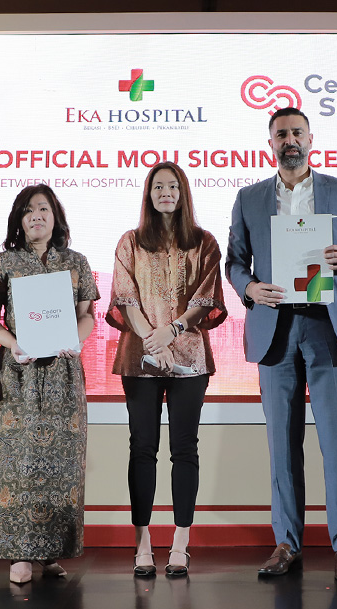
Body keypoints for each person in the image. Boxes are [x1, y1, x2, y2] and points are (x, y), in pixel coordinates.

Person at [225, 107, 337, 581]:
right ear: (269, 143)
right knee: (281, 446)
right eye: (280, 134)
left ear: (311, 138)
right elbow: (234, 263)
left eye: (296, 132)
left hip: (327, 327)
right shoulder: (248, 198)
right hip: (275, 328)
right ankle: (286, 543)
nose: (289, 140)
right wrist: (250, 289)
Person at [0, 184, 99, 585]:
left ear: (55, 216)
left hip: (62, 375)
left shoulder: (75, 262)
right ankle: (20, 555)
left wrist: (77, 340)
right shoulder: (3, 262)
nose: (36, 216)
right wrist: (13, 343)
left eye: (43, 209)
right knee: (16, 464)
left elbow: (88, 314)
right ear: (18, 220)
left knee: (59, 467)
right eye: (28, 211)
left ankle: (50, 553)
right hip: (17, 374)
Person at [106, 162, 227, 578]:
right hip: (139, 361)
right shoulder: (131, 241)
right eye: (158, 186)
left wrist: (172, 330)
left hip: (189, 360)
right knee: (142, 448)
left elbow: (207, 296)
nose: (165, 192)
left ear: (183, 192)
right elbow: (124, 296)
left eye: (172, 186)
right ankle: (142, 545)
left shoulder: (204, 242)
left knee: (184, 449)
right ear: (148, 194)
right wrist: (151, 338)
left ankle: (180, 544)